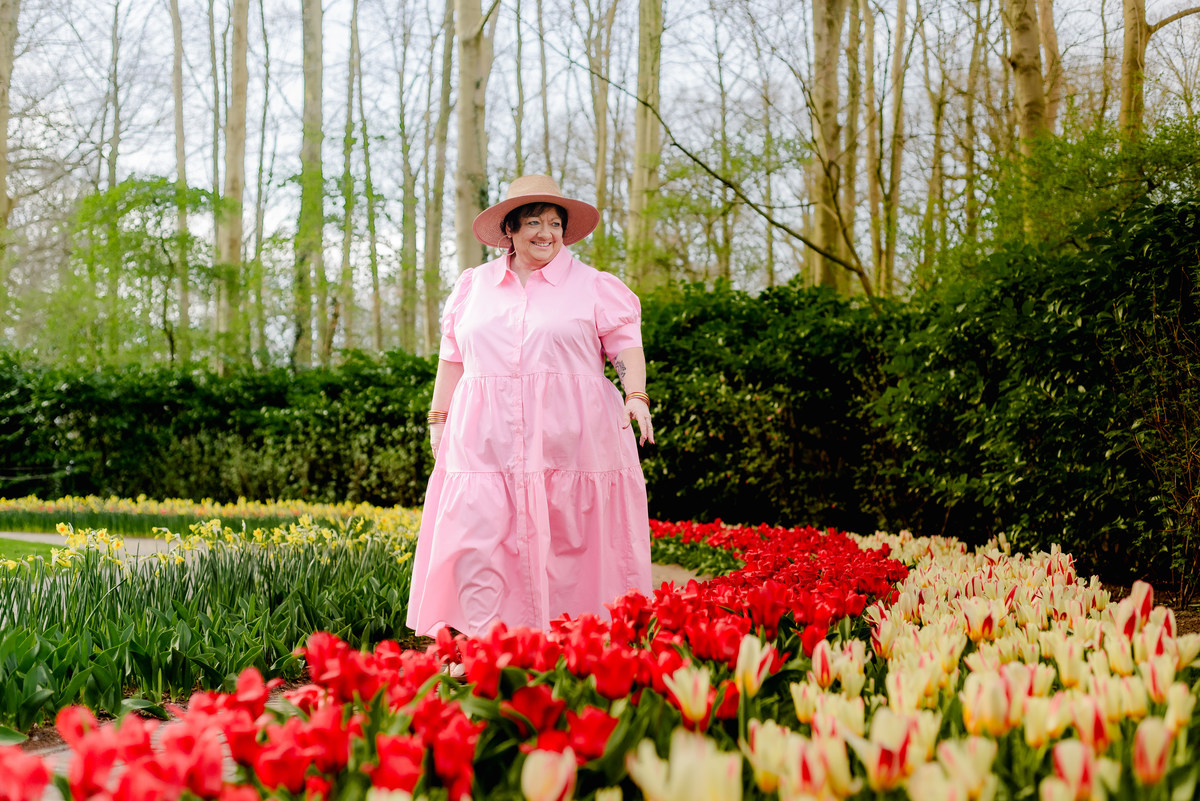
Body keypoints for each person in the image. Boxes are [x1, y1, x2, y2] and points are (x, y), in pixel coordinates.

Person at [405, 174, 655, 637]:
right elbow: (452, 357)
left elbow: (626, 349)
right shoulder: (473, 286)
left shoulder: (594, 286)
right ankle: (482, 640)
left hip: (574, 440)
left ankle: (574, 639)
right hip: (483, 439)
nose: (547, 232)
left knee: (567, 544)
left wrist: (635, 394)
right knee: (477, 540)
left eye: (556, 223)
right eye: (535, 221)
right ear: (511, 230)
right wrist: (438, 419)